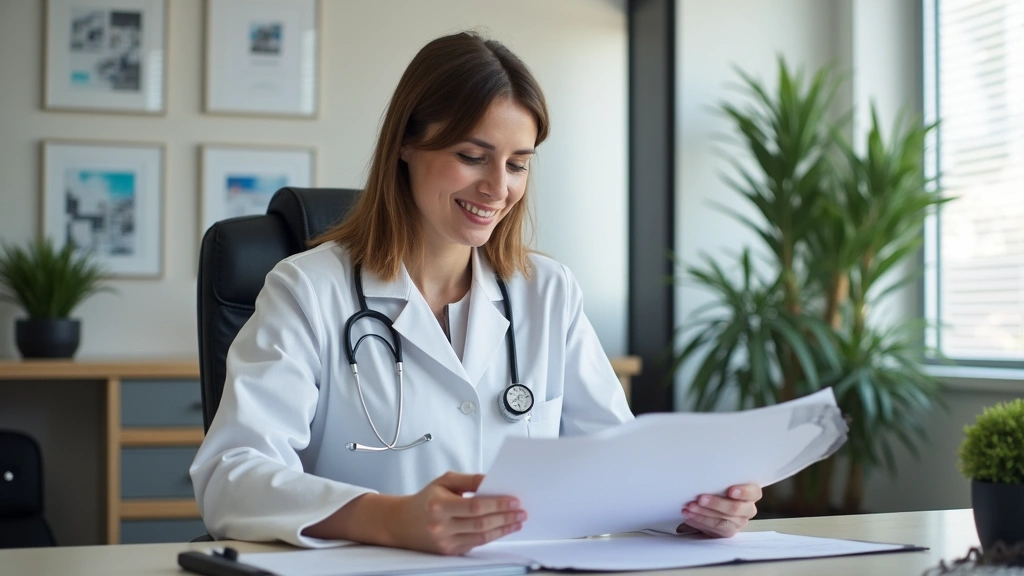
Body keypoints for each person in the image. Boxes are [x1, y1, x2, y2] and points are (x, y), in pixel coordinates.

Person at [190, 32, 761, 556]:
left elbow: (614, 465)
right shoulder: (309, 290)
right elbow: (231, 477)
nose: (498, 187)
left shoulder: (548, 293)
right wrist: (390, 520)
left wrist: (690, 508)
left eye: (518, 164)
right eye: (472, 156)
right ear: (406, 144)